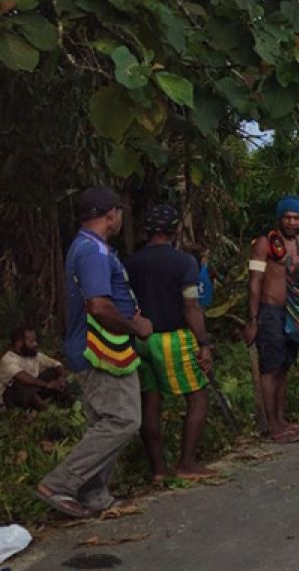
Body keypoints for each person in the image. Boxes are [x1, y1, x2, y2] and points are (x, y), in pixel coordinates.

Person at [37, 186, 153, 518]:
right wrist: (136, 327)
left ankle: (94, 494)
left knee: (102, 422)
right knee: (123, 420)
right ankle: (60, 483)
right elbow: (98, 305)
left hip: (94, 347)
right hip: (101, 349)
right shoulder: (93, 252)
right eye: (119, 213)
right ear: (111, 214)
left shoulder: (90, 248)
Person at [125, 204, 217, 481]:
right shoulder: (184, 262)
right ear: (175, 229)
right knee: (198, 397)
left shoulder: (130, 262)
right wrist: (203, 343)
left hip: (140, 340)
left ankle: (158, 470)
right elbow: (191, 306)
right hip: (173, 338)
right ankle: (187, 463)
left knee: (150, 402)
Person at [244, 195, 299, 444]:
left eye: (296, 218)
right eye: (287, 217)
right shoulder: (265, 243)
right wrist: (253, 319)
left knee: (284, 367)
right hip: (271, 312)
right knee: (270, 368)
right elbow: (255, 282)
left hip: (295, 313)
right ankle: (272, 425)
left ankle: (281, 419)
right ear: (280, 218)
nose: (292, 222)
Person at [1, 327, 67, 412]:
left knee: (53, 372)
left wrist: (61, 378)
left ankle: (65, 400)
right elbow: (23, 378)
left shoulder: (35, 356)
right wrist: (47, 384)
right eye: (32, 341)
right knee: (21, 384)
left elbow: (57, 364)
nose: (36, 344)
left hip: (34, 391)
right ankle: (47, 410)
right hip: (12, 397)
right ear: (19, 343)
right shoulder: (8, 359)